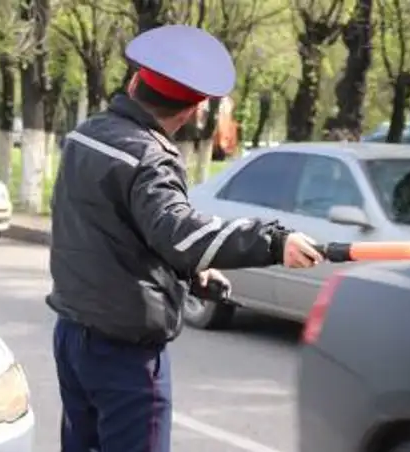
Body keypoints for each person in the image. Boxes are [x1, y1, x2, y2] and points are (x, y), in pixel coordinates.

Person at [47, 24, 324, 452]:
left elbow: (114, 231)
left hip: (73, 335)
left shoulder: (87, 135)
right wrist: (272, 241)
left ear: (134, 81)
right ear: (192, 111)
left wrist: (188, 272)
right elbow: (179, 231)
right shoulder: (148, 157)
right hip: (124, 351)